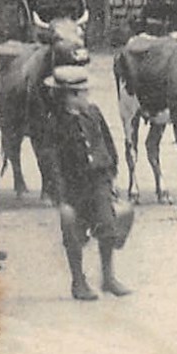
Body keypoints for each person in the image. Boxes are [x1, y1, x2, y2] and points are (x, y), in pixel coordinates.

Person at [47, 65, 134, 301]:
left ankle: (108, 278)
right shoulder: (55, 123)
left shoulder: (93, 113)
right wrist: (60, 198)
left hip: (99, 183)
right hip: (74, 188)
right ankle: (78, 281)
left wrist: (111, 177)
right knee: (71, 228)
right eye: (83, 92)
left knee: (109, 225)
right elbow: (52, 163)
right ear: (70, 96)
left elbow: (108, 145)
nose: (88, 96)